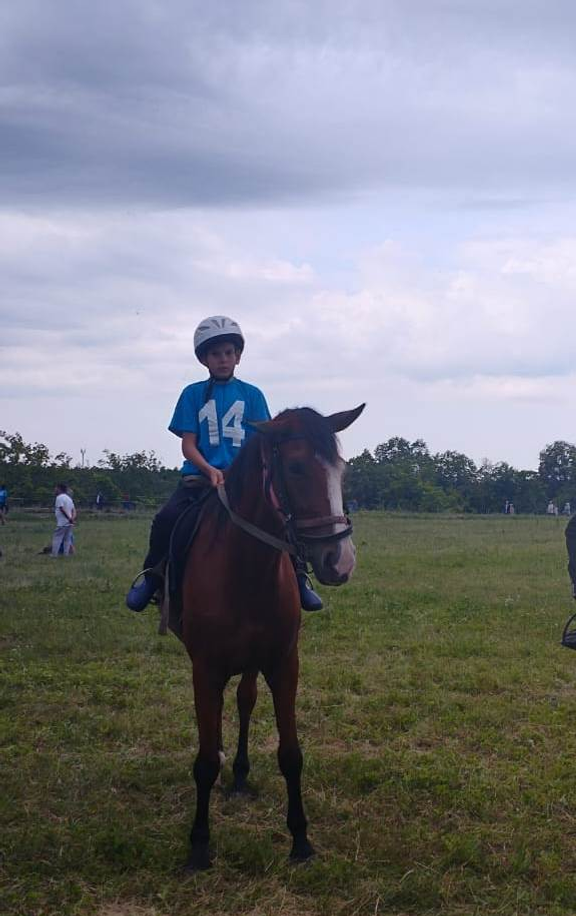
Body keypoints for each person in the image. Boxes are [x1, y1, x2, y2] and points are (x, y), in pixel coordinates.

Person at [126, 315, 323, 613]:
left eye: (229, 353)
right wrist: (209, 469)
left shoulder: (253, 395)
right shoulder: (192, 394)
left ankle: (298, 579)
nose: (223, 359)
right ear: (204, 359)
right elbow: (188, 444)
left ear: (238, 356)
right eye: (215, 354)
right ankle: (152, 576)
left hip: (245, 482)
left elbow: (262, 442)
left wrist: (240, 473)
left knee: (281, 519)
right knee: (167, 518)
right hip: (201, 480)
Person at [51, 483, 75, 556]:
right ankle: (66, 554)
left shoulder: (59, 498)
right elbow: (73, 510)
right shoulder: (69, 498)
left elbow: (61, 508)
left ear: (59, 489)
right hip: (69, 523)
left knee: (57, 538)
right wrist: (72, 519)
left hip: (62, 523)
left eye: (56, 488)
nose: (54, 490)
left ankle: (54, 554)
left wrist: (68, 518)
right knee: (67, 539)